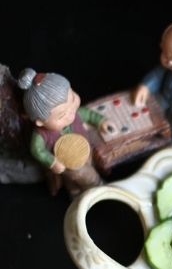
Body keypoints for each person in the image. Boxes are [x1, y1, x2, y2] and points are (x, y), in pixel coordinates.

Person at [19, 68, 114, 197]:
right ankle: (98, 189)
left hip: (85, 148)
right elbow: (37, 150)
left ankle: (80, 188)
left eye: (73, 98)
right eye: (62, 115)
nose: (71, 113)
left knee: (92, 160)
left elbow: (88, 114)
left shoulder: (75, 113)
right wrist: (52, 162)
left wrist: (101, 121)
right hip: (68, 163)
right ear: (40, 122)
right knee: (82, 175)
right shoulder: (41, 134)